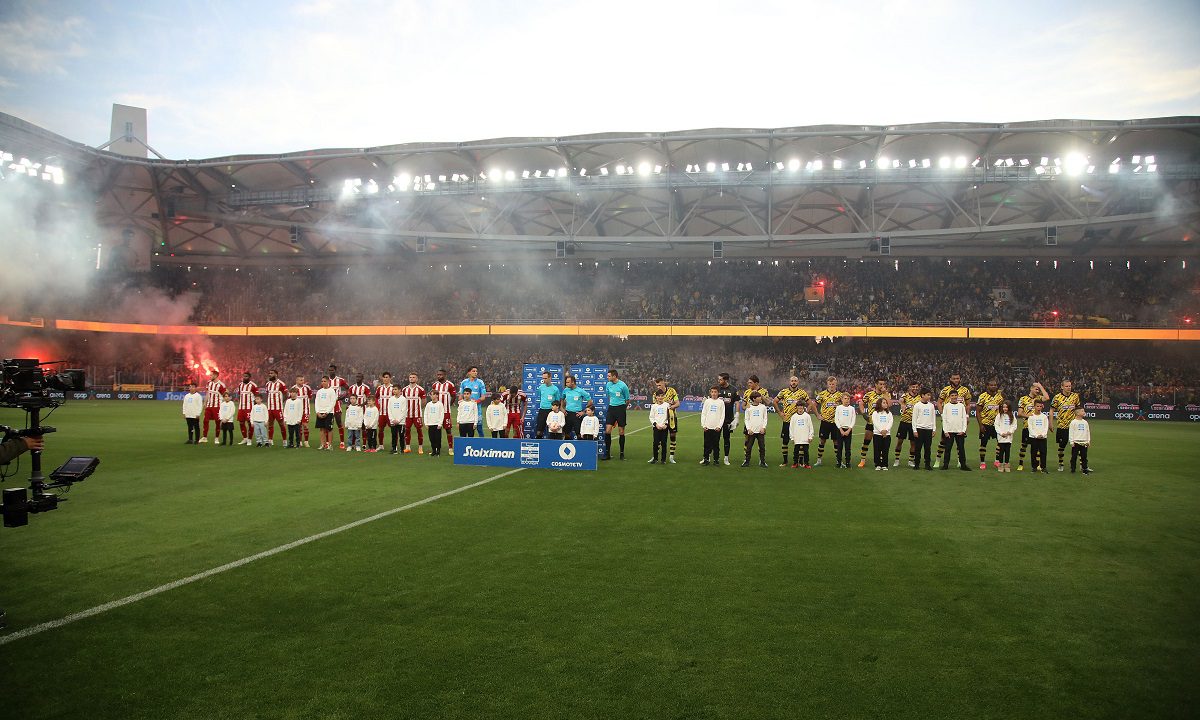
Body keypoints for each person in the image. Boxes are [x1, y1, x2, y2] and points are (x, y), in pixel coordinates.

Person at [935, 373, 971, 468]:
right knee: (943, 441)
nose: (956, 380)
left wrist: (967, 415)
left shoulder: (965, 390)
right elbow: (939, 402)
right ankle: (938, 460)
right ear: (950, 379)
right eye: (954, 378)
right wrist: (942, 415)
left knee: (960, 444)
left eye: (957, 378)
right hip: (949, 419)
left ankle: (960, 462)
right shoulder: (945, 390)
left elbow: (968, 404)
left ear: (960, 379)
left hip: (959, 419)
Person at [774, 376, 811, 467]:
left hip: (798, 423)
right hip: (787, 421)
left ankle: (800, 461)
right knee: (785, 441)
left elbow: (810, 403)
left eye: (795, 381)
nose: (793, 382)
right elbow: (775, 401)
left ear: (798, 382)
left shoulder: (802, 392)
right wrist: (780, 412)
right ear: (789, 382)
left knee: (800, 442)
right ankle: (785, 461)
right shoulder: (784, 392)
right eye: (792, 381)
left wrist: (806, 412)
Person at [1016, 382, 1049, 471]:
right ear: (1031, 388)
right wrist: (1030, 416)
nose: (1037, 391)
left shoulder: (1039, 398)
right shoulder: (1023, 399)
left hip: (1038, 428)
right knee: (1024, 446)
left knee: (1037, 448)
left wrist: (1040, 386)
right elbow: (1019, 413)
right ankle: (1020, 464)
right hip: (1027, 426)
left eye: (1038, 390)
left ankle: (1037, 465)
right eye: (1036, 389)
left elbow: (1047, 397)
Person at [857, 378, 889, 468]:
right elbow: (861, 403)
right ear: (876, 385)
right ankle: (862, 460)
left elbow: (889, 404)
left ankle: (881, 461)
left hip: (882, 423)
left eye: (883, 384)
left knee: (881, 443)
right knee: (866, 441)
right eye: (880, 384)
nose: (882, 386)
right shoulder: (869, 394)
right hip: (871, 422)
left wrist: (885, 393)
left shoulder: (886, 394)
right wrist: (863, 414)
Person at [1051, 380, 1081, 472]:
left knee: (1078, 445)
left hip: (1073, 426)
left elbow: (1078, 409)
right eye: (1067, 386)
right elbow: (1051, 410)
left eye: (1070, 386)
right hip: (1062, 426)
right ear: (1062, 387)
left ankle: (1081, 464)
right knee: (1061, 446)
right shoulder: (1057, 397)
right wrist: (1050, 423)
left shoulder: (1075, 396)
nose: (1069, 388)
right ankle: (1061, 464)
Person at [975, 379, 1004, 469]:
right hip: (985, 423)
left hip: (996, 424)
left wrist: (1001, 423)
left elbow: (1001, 410)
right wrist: (981, 425)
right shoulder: (982, 396)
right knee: (983, 443)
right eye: (991, 385)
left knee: (1000, 442)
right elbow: (978, 411)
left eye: (995, 385)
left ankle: (997, 460)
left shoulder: (999, 397)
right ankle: (982, 462)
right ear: (987, 386)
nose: (993, 386)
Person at [813, 376, 840, 467]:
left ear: (836, 384)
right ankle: (819, 460)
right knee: (822, 441)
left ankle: (838, 460)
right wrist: (817, 415)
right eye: (830, 384)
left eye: (833, 384)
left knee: (836, 442)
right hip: (825, 422)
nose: (831, 386)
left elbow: (845, 406)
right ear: (827, 384)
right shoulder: (822, 394)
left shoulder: (840, 395)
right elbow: (814, 405)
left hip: (836, 422)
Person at [940, 393, 971, 471]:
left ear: (957, 396)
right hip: (949, 431)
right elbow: (944, 419)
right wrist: (945, 431)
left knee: (961, 449)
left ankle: (963, 465)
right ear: (950, 397)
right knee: (947, 449)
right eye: (952, 395)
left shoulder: (961, 406)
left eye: (955, 395)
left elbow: (964, 419)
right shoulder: (946, 406)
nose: (954, 397)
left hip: (959, 431)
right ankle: (945, 465)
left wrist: (963, 430)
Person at [603, 370, 630, 459]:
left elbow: (627, 399)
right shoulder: (608, 384)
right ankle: (607, 454)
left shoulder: (623, 385)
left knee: (621, 431)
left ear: (614, 376)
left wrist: (622, 408)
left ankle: (621, 453)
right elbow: (609, 395)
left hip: (620, 408)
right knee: (607, 430)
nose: (607, 377)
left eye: (609, 376)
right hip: (611, 408)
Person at [654, 378, 681, 463]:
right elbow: (655, 407)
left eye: (659, 385)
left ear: (663, 383)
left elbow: (678, 403)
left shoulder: (672, 391)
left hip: (671, 417)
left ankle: (671, 457)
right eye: (657, 385)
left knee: (672, 436)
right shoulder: (655, 394)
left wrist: (671, 407)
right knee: (659, 438)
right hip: (661, 419)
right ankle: (655, 457)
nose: (658, 387)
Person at [894, 381, 921, 467]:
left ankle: (910, 460)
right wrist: (902, 404)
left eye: (916, 387)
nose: (915, 388)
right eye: (913, 387)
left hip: (914, 423)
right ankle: (897, 459)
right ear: (909, 387)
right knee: (900, 441)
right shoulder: (905, 395)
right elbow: (900, 400)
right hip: (904, 422)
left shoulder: (920, 397)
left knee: (913, 443)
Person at [432, 369, 458, 455]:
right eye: (438, 375)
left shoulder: (450, 385)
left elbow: (454, 396)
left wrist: (448, 405)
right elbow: (433, 396)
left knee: (448, 430)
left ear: (445, 375)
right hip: (436, 412)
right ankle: (436, 448)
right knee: (435, 430)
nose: (439, 376)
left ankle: (450, 448)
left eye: (441, 375)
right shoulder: (435, 385)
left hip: (446, 411)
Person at [741, 391, 769, 468]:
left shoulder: (763, 407)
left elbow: (765, 418)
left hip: (760, 431)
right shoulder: (748, 408)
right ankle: (747, 461)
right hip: (751, 432)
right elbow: (746, 419)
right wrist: (748, 429)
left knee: (762, 447)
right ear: (754, 399)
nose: (761, 398)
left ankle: (762, 462)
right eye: (759, 397)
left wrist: (763, 427)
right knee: (749, 447)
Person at [402, 373, 427, 454]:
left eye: (413, 377)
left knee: (419, 430)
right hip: (407, 415)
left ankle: (420, 448)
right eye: (410, 377)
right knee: (407, 430)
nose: (411, 378)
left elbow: (424, 401)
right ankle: (407, 447)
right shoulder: (405, 389)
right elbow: (402, 401)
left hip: (417, 415)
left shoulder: (420, 389)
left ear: (416, 379)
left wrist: (419, 409)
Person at [700, 386, 725, 466]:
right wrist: (704, 425)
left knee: (716, 445)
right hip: (707, 427)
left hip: (716, 428)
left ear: (718, 393)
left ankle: (716, 460)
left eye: (715, 392)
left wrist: (719, 426)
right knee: (706, 444)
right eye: (712, 392)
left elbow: (722, 416)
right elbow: (703, 414)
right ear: (710, 393)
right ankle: (706, 459)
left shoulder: (721, 402)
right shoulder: (707, 401)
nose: (714, 393)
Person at [912, 389, 937, 471]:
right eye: (928, 395)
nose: (929, 396)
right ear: (922, 395)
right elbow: (914, 419)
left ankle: (927, 464)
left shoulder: (931, 406)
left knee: (928, 448)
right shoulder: (917, 405)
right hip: (919, 429)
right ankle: (917, 464)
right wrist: (914, 430)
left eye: (930, 395)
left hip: (929, 429)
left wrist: (934, 429)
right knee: (918, 448)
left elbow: (933, 418)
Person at [716, 373, 738, 466]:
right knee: (715, 438)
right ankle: (714, 457)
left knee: (726, 438)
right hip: (717, 419)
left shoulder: (733, 389)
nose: (719, 381)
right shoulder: (716, 389)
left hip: (728, 418)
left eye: (720, 379)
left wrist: (737, 416)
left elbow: (737, 403)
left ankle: (726, 458)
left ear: (726, 380)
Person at [459, 366, 487, 437]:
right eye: (473, 371)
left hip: (477, 409)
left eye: (476, 371)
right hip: (466, 410)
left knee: (479, 429)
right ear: (469, 372)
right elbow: (460, 396)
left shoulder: (480, 382)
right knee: (466, 429)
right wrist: (461, 403)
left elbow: (483, 397)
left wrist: (474, 402)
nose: (475, 373)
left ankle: (482, 443)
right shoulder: (464, 382)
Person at [199, 369, 225, 443]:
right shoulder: (209, 383)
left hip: (217, 406)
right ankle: (204, 437)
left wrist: (223, 406)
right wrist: (205, 402)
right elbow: (207, 393)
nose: (210, 376)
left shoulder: (221, 385)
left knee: (217, 422)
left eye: (211, 375)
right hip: (209, 406)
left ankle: (216, 438)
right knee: (205, 421)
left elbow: (225, 396)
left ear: (216, 375)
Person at [327, 364, 349, 449]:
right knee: (328, 424)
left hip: (337, 404)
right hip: (328, 405)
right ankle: (328, 442)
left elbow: (348, 389)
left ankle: (342, 442)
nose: (331, 371)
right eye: (329, 370)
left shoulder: (340, 380)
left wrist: (342, 397)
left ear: (335, 371)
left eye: (332, 370)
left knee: (339, 423)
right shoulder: (326, 380)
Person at [535, 371, 563, 441]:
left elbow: (557, 401)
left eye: (546, 378)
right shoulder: (541, 387)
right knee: (539, 431)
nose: (544, 380)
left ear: (550, 378)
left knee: (552, 429)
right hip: (542, 410)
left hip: (551, 411)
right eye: (543, 378)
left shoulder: (555, 389)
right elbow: (540, 396)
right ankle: (539, 444)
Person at [562, 375, 591, 440]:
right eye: (566, 382)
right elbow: (561, 399)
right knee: (566, 433)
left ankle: (580, 446)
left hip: (577, 414)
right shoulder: (565, 390)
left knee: (579, 434)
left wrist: (583, 412)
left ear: (573, 382)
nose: (566, 384)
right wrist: (562, 409)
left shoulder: (580, 391)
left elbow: (590, 401)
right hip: (567, 414)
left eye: (568, 382)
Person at [313, 376, 338, 450]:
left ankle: (329, 445)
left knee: (329, 429)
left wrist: (327, 412)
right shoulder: (319, 391)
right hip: (320, 412)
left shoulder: (331, 391)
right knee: (321, 429)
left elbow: (333, 402)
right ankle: (322, 444)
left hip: (329, 413)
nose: (323, 382)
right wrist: (317, 412)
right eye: (322, 381)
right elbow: (316, 402)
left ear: (328, 382)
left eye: (324, 381)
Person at [264, 371, 288, 446]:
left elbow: (286, 394)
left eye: (272, 373)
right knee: (270, 424)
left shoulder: (281, 384)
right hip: (270, 408)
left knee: (281, 424)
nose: (270, 375)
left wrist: (281, 401)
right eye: (269, 373)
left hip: (278, 408)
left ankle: (284, 440)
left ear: (276, 375)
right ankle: (270, 440)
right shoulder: (268, 384)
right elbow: (268, 394)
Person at [1026, 399, 1051, 473]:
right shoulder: (1031, 417)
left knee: (1043, 452)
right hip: (1034, 438)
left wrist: (1042, 435)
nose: (1039, 408)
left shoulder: (1044, 417)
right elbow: (1030, 428)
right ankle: (1034, 467)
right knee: (1033, 453)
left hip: (1043, 438)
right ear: (1034, 407)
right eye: (1037, 406)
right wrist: (1036, 435)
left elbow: (1046, 427)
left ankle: (1043, 467)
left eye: (1040, 406)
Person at [236, 371, 259, 446]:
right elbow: (239, 395)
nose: (244, 377)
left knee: (250, 423)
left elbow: (257, 397)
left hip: (249, 408)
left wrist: (254, 406)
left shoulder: (253, 385)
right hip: (241, 408)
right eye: (244, 376)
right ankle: (245, 438)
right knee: (241, 423)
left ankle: (249, 439)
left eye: (246, 376)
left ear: (249, 377)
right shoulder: (240, 385)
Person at [834, 392, 856, 469]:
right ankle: (839, 462)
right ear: (842, 399)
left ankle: (848, 462)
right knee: (839, 447)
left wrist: (849, 430)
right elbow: (836, 419)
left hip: (848, 430)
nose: (847, 400)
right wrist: (841, 430)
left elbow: (853, 420)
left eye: (848, 399)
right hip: (840, 430)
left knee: (848, 447)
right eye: (845, 398)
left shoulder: (852, 408)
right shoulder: (838, 408)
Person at [789, 403, 814, 469]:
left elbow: (811, 427)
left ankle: (806, 464)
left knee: (806, 451)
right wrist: (792, 437)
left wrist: (810, 436)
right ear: (797, 408)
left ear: (803, 408)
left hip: (805, 437)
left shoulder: (807, 416)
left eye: (801, 408)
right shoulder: (794, 416)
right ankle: (795, 463)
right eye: (799, 408)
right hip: (797, 437)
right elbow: (791, 428)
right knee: (796, 451)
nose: (800, 409)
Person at [871, 398, 894, 471]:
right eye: (884, 403)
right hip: (877, 434)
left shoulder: (889, 413)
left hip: (887, 434)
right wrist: (881, 430)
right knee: (877, 450)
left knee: (885, 450)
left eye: (886, 403)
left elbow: (890, 422)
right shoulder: (875, 413)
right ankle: (877, 464)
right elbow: (875, 422)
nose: (886, 404)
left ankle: (884, 464)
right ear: (879, 404)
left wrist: (886, 430)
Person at [1068, 408, 1092, 474]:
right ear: (1077, 413)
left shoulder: (1085, 422)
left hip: (1084, 442)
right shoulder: (1073, 422)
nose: (1084, 412)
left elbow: (1088, 432)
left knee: (1084, 457)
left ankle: (1084, 469)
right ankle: (1073, 469)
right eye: (1082, 411)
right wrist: (1071, 441)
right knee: (1074, 456)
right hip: (1076, 442)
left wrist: (1088, 441)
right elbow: (1071, 432)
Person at [648, 390, 670, 464]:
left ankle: (663, 460)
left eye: (662, 396)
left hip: (664, 428)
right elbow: (651, 417)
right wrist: (656, 425)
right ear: (656, 397)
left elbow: (669, 416)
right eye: (659, 396)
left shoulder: (667, 405)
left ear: (664, 396)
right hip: (656, 428)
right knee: (655, 443)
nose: (660, 397)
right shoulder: (654, 406)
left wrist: (666, 425)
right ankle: (655, 459)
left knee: (664, 443)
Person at [375, 372, 395, 450]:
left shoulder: (393, 388)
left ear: (390, 378)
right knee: (380, 429)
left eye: (387, 377)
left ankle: (394, 445)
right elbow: (376, 398)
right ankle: (381, 445)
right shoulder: (379, 388)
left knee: (393, 429)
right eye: (384, 377)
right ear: (382, 378)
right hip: (381, 413)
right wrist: (378, 406)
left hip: (391, 413)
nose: (385, 379)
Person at [994, 400, 1016, 473]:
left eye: (1006, 407)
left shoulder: (1012, 416)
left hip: (1009, 437)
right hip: (1001, 437)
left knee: (1007, 451)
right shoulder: (999, 416)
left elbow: (1014, 425)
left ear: (1009, 408)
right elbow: (996, 425)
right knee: (1001, 451)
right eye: (1004, 407)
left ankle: (1006, 465)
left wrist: (1010, 432)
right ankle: (1000, 465)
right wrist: (1001, 433)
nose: (1005, 409)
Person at [292, 375, 314, 448]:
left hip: (305, 410)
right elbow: (291, 399)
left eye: (303, 380)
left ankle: (306, 441)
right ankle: (300, 442)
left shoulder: (307, 388)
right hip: (297, 411)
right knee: (298, 426)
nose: (302, 381)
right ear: (297, 381)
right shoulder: (293, 388)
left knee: (305, 425)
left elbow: (310, 397)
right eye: (301, 380)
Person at [388, 388, 407, 455]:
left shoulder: (403, 399)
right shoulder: (391, 399)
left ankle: (402, 449)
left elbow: (404, 411)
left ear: (399, 390)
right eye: (393, 389)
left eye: (395, 389)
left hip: (401, 422)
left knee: (401, 436)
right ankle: (394, 449)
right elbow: (389, 410)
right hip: (393, 421)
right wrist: (392, 419)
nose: (394, 391)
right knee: (394, 436)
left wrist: (399, 420)